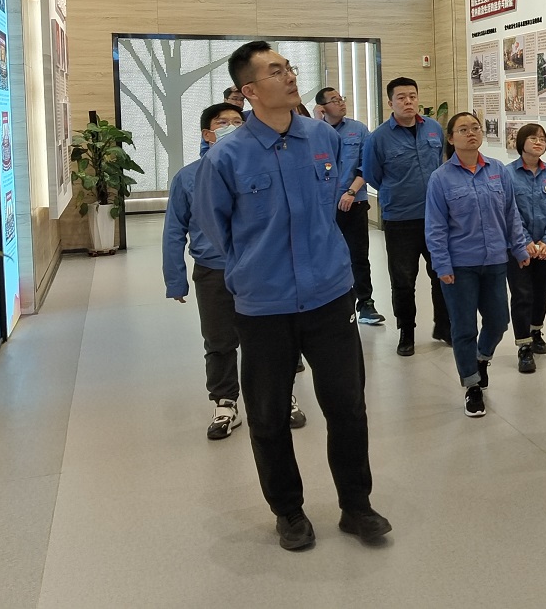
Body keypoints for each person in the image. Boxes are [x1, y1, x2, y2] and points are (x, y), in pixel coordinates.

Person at [195, 41, 389, 552]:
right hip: (264, 305)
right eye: (276, 71)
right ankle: (289, 512)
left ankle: (356, 506)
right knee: (268, 413)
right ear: (250, 91)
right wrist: (253, 269)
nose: (290, 76)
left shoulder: (322, 137)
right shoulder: (226, 156)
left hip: (330, 296)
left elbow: (329, 205)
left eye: (289, 67)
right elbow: (216, 230)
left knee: (347, 406)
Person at [163, 102, 306, 439]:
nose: (231, 126)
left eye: (237, 121)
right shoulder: (188, 177)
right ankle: (225, 402)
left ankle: (281, 396)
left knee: (271, 337)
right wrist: (175, 279)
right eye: (222, 122)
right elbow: (174, 230)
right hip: (213, 270)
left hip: (261, 268)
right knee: (219, 340)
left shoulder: (265, 168)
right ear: (207, 134)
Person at [425, 112, 530, 417]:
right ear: (451, 138)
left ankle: (481, 359)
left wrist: (519, 247)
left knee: (498, 321)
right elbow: (435, 227)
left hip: (495, 260)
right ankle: (472, 385)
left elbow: (511, 213)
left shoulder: (497, 171)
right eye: (463, 129)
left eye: (475, 128)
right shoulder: (440, 178)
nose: (471, 133)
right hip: (460, 265)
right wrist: (442, 264)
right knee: (464, 327)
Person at [363, 77, 450, 356]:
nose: (408, 101)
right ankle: (407, 331)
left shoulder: (434, 129)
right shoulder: (378, 138)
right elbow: (372, 175)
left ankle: (444, 326)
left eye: (412, 96)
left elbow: (442, 164)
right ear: (390, 102)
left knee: (442, 273)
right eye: (401, 97)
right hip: (400, 218)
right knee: (403, 279)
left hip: (436, 216)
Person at [316, 86, 384, 327]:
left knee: (358, 255)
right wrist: (317, 122)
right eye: (334, 100)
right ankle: (328, 304)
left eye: (341, 99)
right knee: (324, 256)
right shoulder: (313, 132)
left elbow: (366, 165)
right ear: (322, 108)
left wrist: (351, 192)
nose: (341, 103)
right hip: (323, 205)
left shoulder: (358, 130)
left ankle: (365, 303)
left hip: (354, 201)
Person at [507, 123, 546, 374]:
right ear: (521, 142)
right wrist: (524, 241)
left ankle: (536, 331)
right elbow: (509, 212)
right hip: (518, 247)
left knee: (541, 292)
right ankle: (524, 346)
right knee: (522, 294)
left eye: (542, 139)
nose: (538, 142)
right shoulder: (507, 174)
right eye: (533, 138)